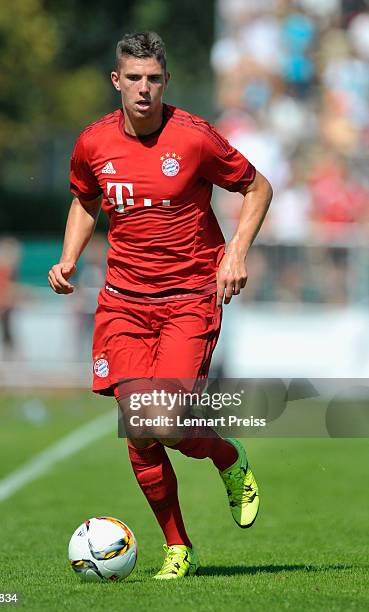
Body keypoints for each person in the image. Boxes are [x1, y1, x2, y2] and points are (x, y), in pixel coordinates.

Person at [48, 32, 273, 579]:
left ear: (165, 81)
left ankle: (226, 456)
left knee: (164, 424)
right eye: (134, 78)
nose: (144, 89)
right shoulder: (94, 143)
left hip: (188, 298)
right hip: (123, 301)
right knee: (137, 421)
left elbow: (258, 187)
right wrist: (69, 257)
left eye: (154, 79)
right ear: (116, 81)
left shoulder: (194, 137)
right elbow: (85, 198)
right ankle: (179, 548)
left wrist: (235, 253)